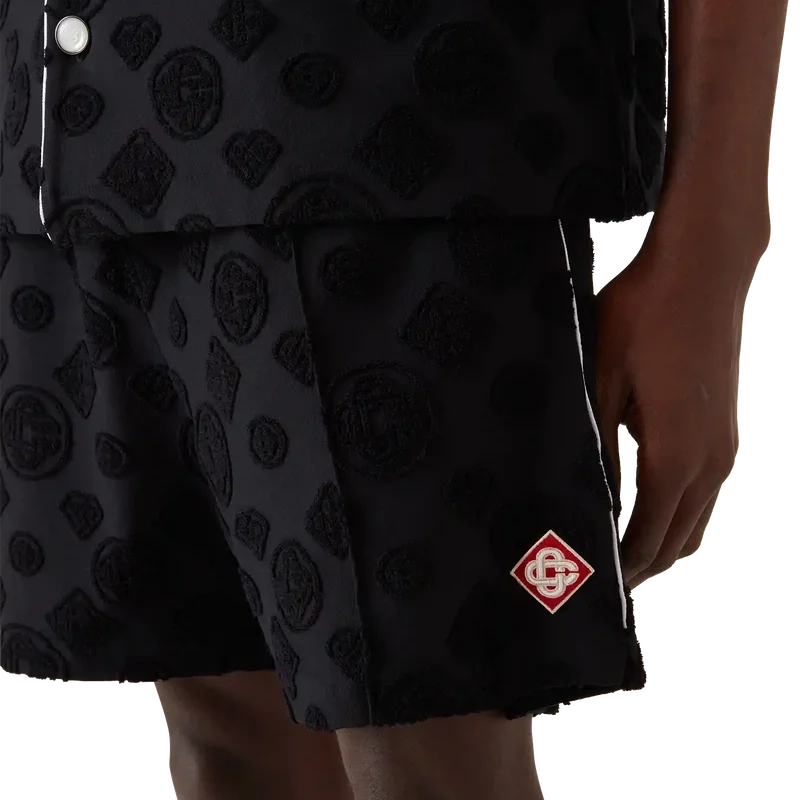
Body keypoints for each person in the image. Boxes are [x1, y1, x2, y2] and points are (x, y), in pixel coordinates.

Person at [0, 1, 785, 798]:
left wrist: (709, 248)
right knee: (224, 724)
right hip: (67, 143)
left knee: (431, 748)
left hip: (401, 160)